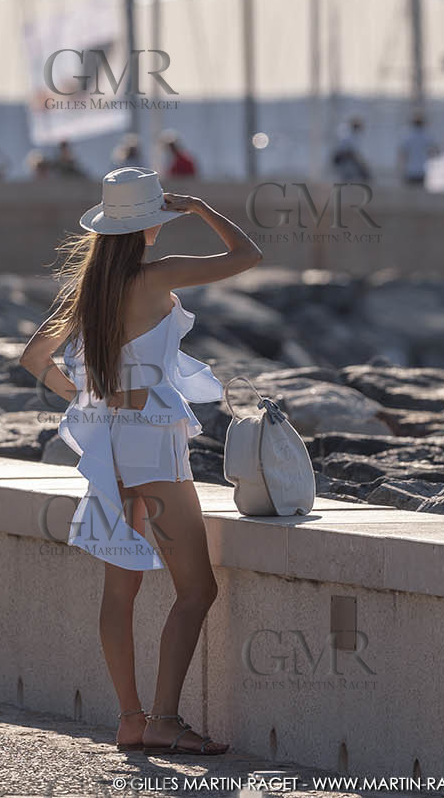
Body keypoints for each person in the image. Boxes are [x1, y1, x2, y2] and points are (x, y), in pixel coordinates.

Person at [18, 167, 261, 757]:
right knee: (196, 590)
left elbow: (33, 357)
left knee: (120, 591)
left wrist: (83, 396)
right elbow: (246, 254)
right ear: (152, 225)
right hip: (152, 445)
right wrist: (200, 207)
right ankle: (165, 719)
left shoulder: (93, 290)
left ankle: (131, 718)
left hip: (109, 448)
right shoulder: (159, 276)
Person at [397, 114, 435, 188]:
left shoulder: (407, 137)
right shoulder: (427, 137)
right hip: (423, 170)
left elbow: (402, 154)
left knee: (409, 196)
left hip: (409, 171)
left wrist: (400, 169)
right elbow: (432, 153)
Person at [331, 117, 372, 182]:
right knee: (347, 172)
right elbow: (348, 147)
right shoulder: (346, 132)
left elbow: (353, 149)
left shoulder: (353, 135)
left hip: (346, 156)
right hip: (343, 155)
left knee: (352, 171)